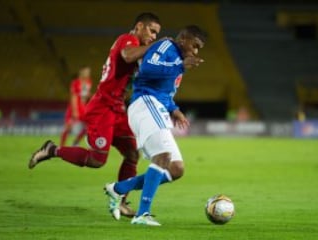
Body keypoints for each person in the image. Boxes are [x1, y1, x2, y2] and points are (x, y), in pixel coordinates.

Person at [28, 13, 161, 217]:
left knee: (132, 154)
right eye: (151, 31)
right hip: (103, 108)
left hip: (117, 109)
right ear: (139, 26)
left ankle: (121, 201)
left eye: (156, 34)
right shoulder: (129, 39)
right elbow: (126, 55)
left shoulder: (138, 50)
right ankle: (52, 149)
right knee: (97, 160)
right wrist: (156, 46)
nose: (153, 36)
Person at [105, 25, 206, 226]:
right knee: (163, 156)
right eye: (194, 46)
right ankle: (142, 214)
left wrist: (174, 109)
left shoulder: (177, 58)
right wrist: (180, 66)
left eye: (198, 49)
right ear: (184, 38)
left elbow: (165, 92)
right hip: (145, 103)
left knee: (176, 169)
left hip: (156, 105)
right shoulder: (166, 46)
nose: (195, 51)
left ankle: (118, 188)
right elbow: (148, 69)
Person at [60, 66, 92, 146]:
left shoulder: (89, 82)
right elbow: (74, 96)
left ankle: (75, 142)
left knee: (89, 126)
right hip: (74, 107)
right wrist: (75, 111)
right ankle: (61, 146)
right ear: (81, 72)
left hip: (83, 107)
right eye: (86, 72)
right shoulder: (75, 82)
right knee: (68, 127)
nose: (88, 73)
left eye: (89, 72)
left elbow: (85, 96)